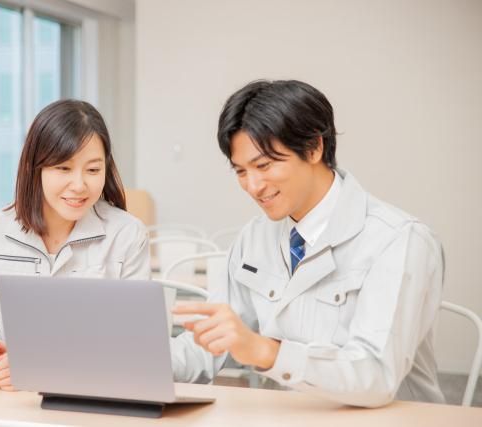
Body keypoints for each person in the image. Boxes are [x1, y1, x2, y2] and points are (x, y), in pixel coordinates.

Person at [171, 80, 445, 407]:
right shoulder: (253, 237)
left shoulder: (398, 239)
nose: (253, 186)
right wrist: (135, 363)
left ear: (314, 148)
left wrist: (266, 351)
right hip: (291, 415)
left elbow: (375, 376)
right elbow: (207, 345)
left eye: (264, 165)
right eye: (241, 171)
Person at [0, 100, 150, 391]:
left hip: (90, 398)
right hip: (3, 400)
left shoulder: (127, 235)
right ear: (34, 167)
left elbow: (132, 338)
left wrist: (37, 365)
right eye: (63, 168)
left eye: (93, 170)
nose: (79, 185)